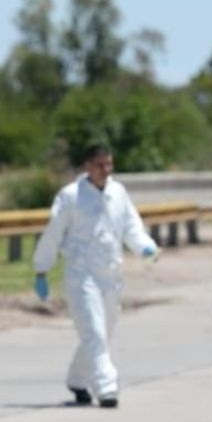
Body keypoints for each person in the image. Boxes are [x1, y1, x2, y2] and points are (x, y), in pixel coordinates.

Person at [32, 144, 157, 408]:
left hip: (110, 275)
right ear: (87, 166)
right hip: (81, 276)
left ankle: (78, 379)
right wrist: (41, 269)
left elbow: (131, 225)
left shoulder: (118, 192)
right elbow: (53, 233)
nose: (105, 170)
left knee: (102, 332)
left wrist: (144, 245)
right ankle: (107, 387)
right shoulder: (70, 196)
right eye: (100, 165)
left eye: (109, 165)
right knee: (94, 333)